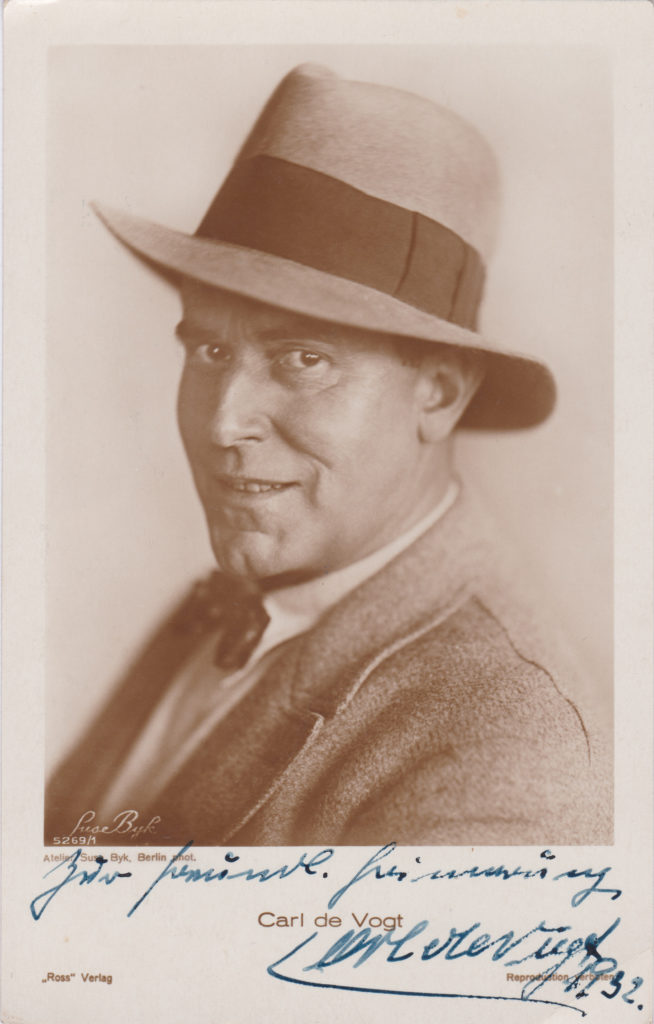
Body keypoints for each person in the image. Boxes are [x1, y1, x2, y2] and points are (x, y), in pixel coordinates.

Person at [45, 63, 609, 847]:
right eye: (209, 350)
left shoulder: (506, 756)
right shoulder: (225, 603)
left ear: (439, 393)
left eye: (303, 359)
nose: (224, 424)